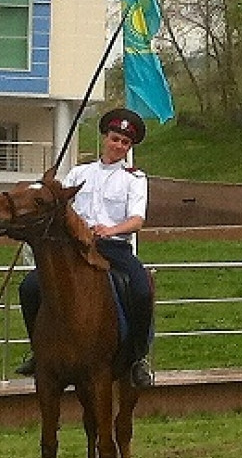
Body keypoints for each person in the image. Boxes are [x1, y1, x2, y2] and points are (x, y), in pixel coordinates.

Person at [15, 108, 156, 388]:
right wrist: (43, 187)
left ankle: (138, 357)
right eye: (115, 139)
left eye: (125, 143)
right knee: (29, 288)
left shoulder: (135, 178)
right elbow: (53, 198)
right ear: (105, 138)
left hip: (113, 248)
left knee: (141, 290)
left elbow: (137, 219)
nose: (118, 146)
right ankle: (38, 351)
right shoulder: (79, 173)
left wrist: (111, 229)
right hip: (75, 249)